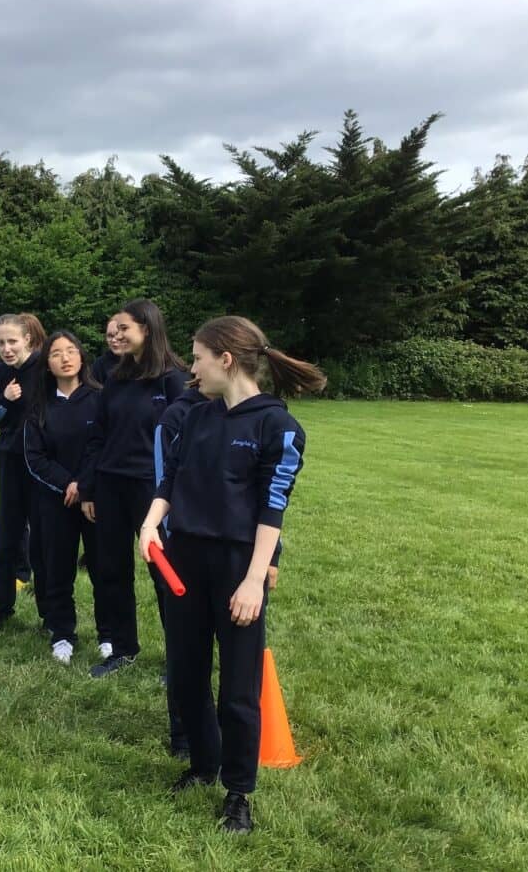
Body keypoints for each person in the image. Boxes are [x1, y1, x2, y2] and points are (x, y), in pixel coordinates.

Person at [140, 315, 325, 834]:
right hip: (184, 558)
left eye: (198, 358)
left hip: (239, 566)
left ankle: (238, 792)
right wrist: (151, 523)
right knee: (185, 672)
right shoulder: (194, 416)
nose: (191, 369)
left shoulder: (278, 427)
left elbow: (272, 509)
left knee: (239, 687)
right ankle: (203, 764)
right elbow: (169, 481)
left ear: (226, 360)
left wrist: (253, 579)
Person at [80, 299, 188, 677]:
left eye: (124, 328)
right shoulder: (116, 377)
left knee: (163, 573)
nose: (117, 335)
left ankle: (180, 660)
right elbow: (98, 435)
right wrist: (89, 488)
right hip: (110, 485)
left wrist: (174, 494)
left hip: (152, 491)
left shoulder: (174, 379)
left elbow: (187, 441)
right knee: (112, 570)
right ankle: (123, 650)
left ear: (147, 328)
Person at [23, 330, 110, 664]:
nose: (65, 358)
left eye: (71, 350)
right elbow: (35, 457)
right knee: (57, 570)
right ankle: (62, 634)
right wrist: (68, 484)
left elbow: (104, 446)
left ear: (82, 356)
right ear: (47, 363)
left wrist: (84, 484)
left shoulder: (100, 398)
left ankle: (109, 635)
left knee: (104, 568)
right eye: (56, 353)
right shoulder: (39, 405)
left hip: (95, 499)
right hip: (55, 499)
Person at [0, 313, 45, 627]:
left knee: (43, 537)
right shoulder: (2, 372)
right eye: (0, 342)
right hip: (9, 458)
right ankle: (3, 609)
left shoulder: (45, 368)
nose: (6, 348)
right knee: (6, 536)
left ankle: (50, 614)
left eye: (12, 341)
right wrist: (5, 399)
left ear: (27, 339)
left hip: (41, 462)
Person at [91, 315, 123, 384]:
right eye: (110, 336)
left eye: (117, 334)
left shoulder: (141, 360)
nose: (113, 340)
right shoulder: (99, 365)